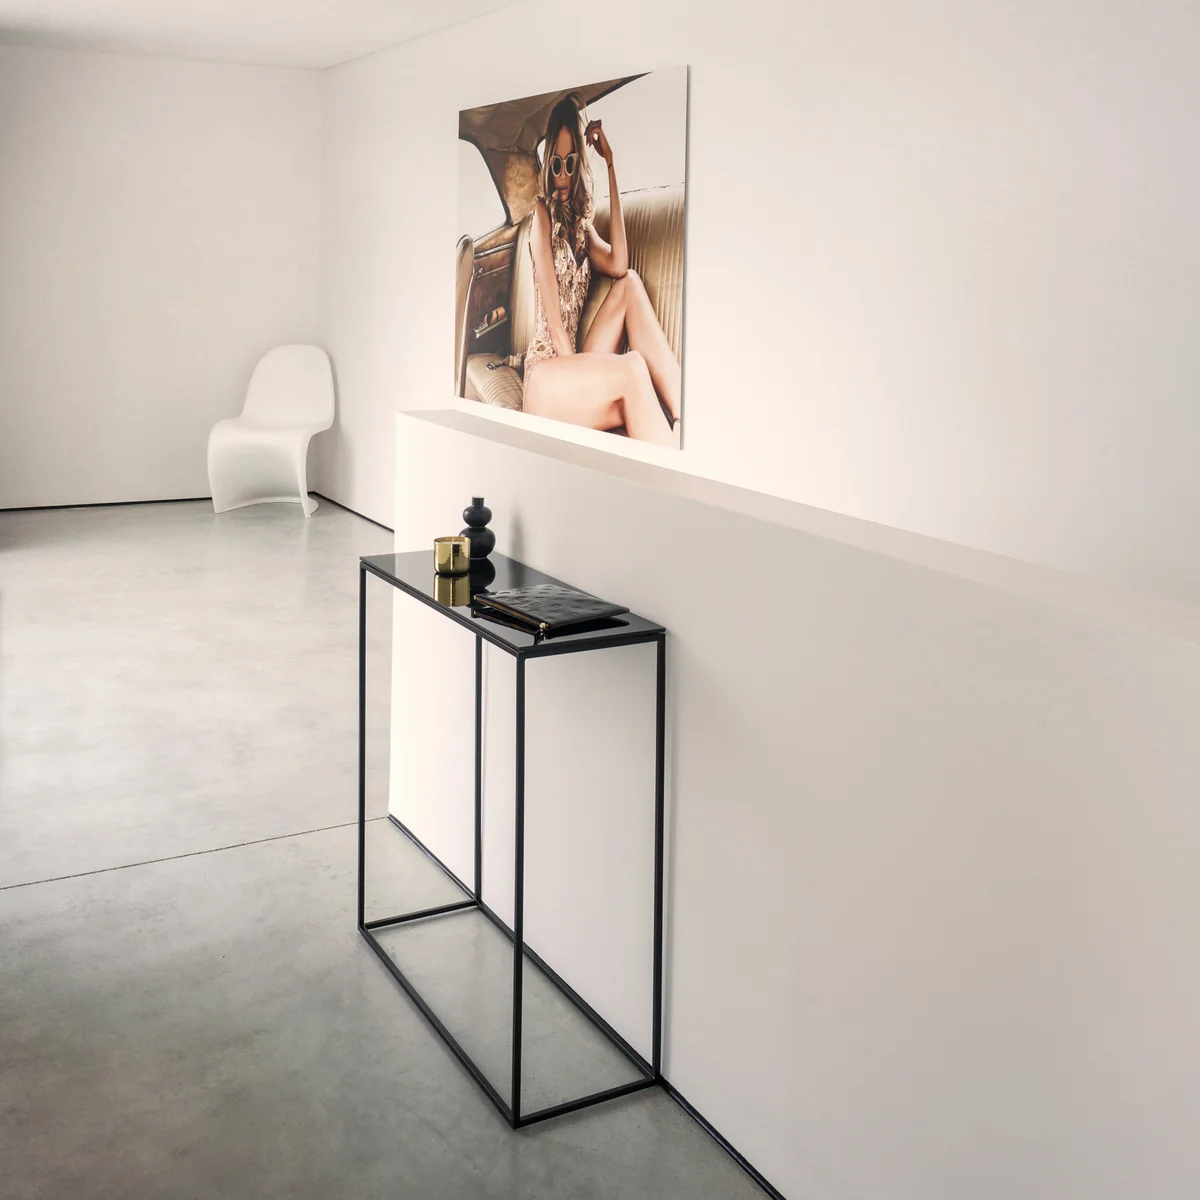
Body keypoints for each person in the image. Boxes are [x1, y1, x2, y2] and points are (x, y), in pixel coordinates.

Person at [521, 95, 681, 447]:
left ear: (580, 164)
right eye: (556, 165)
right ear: (549, 168)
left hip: (573, 362)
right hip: (545, 377)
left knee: (630, 284)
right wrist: (586, 377)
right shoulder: (540, 218)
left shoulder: (583, 230)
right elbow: (557, 329)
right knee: (632, 367)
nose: (563, 176)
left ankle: (686, 413)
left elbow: (620, 265)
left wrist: (610, 163)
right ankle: (676, 461)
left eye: (571, 163)